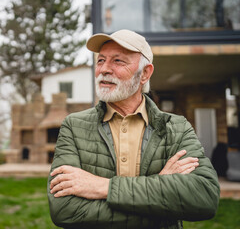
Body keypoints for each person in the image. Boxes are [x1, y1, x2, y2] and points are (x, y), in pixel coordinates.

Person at [48, 29, 220, 229]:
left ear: (145, 73)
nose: (104, 69)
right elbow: (64, 210)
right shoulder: (74, 126)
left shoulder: (176, 128)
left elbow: (204, 197)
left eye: (118, 61)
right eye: (101, 60)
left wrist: (102, 187)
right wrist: (160, 196)